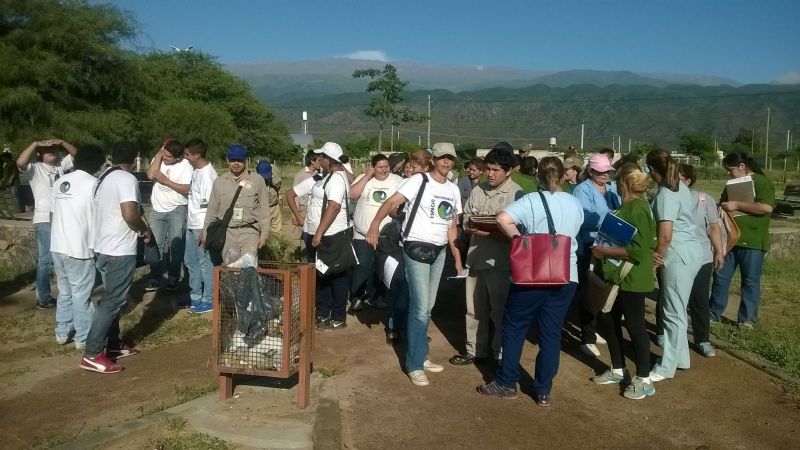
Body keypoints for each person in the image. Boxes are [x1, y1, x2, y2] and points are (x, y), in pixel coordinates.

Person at [477, 157, 582, 406]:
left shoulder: (532, 200)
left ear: (538, 176)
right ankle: (543, 390)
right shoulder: (574, 202)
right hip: (567, 274)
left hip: (534, 272)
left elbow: (503, 219)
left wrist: (520, 240)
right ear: (563, 176)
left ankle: (506, 381)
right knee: (551, 333)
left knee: (514, 326)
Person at [367, 142, 463, 387]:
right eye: (442, 157)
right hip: (415, 248)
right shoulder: (418, 181)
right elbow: (390, 202)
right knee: (420, 308)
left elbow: (452, 226)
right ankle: (414, 364)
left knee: (428, 307)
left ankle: (421, 354)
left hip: (439, 251)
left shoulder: (453, 189)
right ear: (433, 160)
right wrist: (375, 224)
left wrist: (458, 260)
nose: (446, 162)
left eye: (450, 158)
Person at [81, 142, 150, 374]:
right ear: (134, 158)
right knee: (113, 302)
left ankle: (113, 344)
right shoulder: (126, 179)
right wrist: (144, 229)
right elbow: (129, 214)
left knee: (111, 299)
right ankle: (92, 353)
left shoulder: (103, 178)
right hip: (119, 249)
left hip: (102, 246)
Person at [449, 146, 522, 366]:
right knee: (474, 309)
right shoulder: (478, 190)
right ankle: (474, 349)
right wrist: (480, 228)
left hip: (501, 262)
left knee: (499, 312)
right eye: (488, 169)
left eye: (496, 170)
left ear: (508, 171)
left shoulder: (516, 194)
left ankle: (499, 353)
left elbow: (517, 232)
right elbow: (468, 217)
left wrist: (486, 230)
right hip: (476, 258)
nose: (490, 173)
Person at [590, 164, 657, 399]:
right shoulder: (633, 206)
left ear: (624, 184)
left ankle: (644, 378)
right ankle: (618, 368)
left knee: (636, 325)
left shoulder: (636, 209)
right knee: (608, 318)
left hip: (632, 277)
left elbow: (638, 250)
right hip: (620, 276)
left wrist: (604, 251)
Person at [646, 149, 703, 382]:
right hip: (691, 251)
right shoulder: (680, 187)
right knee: (678, 309)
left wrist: (655, 258)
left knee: (672, 312)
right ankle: (681, 359)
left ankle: (666, 366)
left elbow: (666, 236)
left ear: (650, 169)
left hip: (677, 253)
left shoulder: (665, 195)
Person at [662, 164, 724, 357]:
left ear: (687, 181)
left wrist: (719, 252)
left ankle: (702, 339)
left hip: (701, 256)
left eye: (677, 177)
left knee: (699, 299)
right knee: (668, 299)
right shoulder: (667, 197)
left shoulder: (704, 200)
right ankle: (663, 334)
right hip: (675, 255)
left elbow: (714, 228)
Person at [709, 153, 775, 328]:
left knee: (750, 281)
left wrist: (737, 205)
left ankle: (747, 319)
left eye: (730, 170)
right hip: (730, 239)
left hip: (753, 241)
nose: (728, 174)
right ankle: (713, 313)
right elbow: (723, 203)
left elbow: (766, 207)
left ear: (741, 166)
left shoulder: (761, 182)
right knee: (720, 277)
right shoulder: (731, 184)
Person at [50, 145, 106, 349]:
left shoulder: (61, 182)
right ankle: (83, 337)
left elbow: (53, 214)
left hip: (57, 245)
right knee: (81, 294)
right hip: (79, 248)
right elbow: (99, 219)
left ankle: (62, 331)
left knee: (65, 290)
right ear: (98, 164)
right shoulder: (95, 184)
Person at [17, 138, 77, 309]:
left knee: (62, 256)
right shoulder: (35, 168)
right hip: (44, 219)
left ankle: (63, 291)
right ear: (39, 154)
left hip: (62, 218)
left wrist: (63, 142)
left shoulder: (60, 166)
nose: (52, 151)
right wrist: (35, 144)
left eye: (54, 149)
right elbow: (20, 162)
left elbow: (77, 155)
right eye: (47, 150)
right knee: (46, 260)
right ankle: (43, 297)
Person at [572, 153, 621, 357]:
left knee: (604, 289)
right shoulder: (581, 190)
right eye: (601, 171)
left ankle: (594, 328)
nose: (605, 175)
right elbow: (583, 217)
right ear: (591, 171)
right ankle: (587, 335)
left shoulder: (611, 190)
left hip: (610, 244)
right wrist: (609, 217)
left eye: (607, 171)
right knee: (590, 290)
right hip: (590, 245)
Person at [349, 154, 403, 311]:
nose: (384, 170)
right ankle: (357, 296)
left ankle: (379, 297)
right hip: (362, 234)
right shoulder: (364, 178)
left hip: (387, 235)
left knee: (383, 267)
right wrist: (366, 176)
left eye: (386, 166)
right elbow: (352, 194)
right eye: (380, 167)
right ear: (373, 167)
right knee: (363, 266)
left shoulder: (397, 181)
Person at [202, 144, 271, 265]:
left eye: (239, 160)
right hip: (228, 234)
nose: (236, 163)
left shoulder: (257, 180)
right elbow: (212, 210)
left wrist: (264, 234)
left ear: (245, 160)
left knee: (248, 269)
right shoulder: (219, 182)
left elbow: (264, 210)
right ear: (227, 160)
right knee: (232, 271)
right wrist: (205, 233)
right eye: (233, 160)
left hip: (250, 232)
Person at [310, 142, 353, 330]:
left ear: (328, 160)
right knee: (325, 274)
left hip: (335, 234)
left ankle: (338, 316)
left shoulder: (336, 179)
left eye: (322, 158)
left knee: (337, 276)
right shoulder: (333, 177)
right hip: (330, 233)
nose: (320, 161)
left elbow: (334, 206)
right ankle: (323, 312)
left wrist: (319, 232)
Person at [145, 139, 193, 293]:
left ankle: (173, 276)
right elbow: (150, 175)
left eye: (168, 156)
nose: (164, 158)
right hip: (157, 209)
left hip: (177, 209)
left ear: (178, 158)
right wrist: (159, 154)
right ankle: (154, 277)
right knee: (155, 244)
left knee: (175, 245)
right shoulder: (159, 159)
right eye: (163, 154)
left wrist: (165, 181)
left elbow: (186, 189)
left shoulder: (185, 165)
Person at [183, 139, 218, 314]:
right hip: (191, 223)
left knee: (205, 262)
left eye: (187, 154)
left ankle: (209, 299)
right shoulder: (196, 171)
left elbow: (210, 206)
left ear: (196, 155)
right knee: (190, 261)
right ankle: (195, 295)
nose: (185, 157)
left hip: (201, 225)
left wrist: (205, 231)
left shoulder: (207, 175)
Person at [256, 160, 282, 235]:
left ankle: (277, 245)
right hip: (260, 209)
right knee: (262, 231)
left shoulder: (275, 175)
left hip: (274, 207)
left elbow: (279, 188)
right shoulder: (253, 179)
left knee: (276, 231)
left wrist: (280, 199)